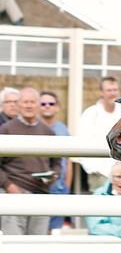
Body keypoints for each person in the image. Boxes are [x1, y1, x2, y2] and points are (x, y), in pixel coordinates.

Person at [0, 87, 61, 253]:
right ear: (18, 104)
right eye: (23, 101)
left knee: (38, 250)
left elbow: (57, 162)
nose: (27, 105)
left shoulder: (48, 131)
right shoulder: (7, 129)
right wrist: (10, 187)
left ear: (37, 104)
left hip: (41, 195)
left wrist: (53, 176)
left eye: (31, 102)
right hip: (14, 194)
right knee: (15, 249)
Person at [76, 76, 121, 191]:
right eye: (109, 90)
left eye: (115, 90)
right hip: (99, 174)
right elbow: (82, 143)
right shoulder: (90, 113)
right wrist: (92, 169)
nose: (112, 93)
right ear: (101, 92)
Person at [39, 91, 73, 231]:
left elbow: (68, 159)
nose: (47, 106)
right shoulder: (33, 127)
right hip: (39, 189)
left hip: (60, 189)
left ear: (57, 106)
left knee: (55, 231)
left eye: (51, 103)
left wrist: (67, 185)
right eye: (43, 103)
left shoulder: (63, 128)